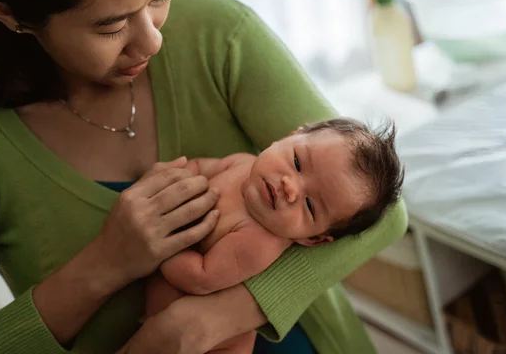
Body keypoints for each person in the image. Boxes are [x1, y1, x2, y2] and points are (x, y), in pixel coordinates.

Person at [0, 0, 408, 353]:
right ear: (7, 13)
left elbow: (379, 211)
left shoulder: (216, 35)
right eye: (111, 26)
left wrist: (217, 318)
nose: (154, 41)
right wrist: (106, 264)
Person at [143, 117, 404, 353]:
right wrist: (173, 177)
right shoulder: (242, 163)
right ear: (290, 136)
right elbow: (200, 167)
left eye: (310, 206)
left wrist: (163, 243)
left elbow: (200, 277)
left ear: (312, 239)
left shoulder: (258, 242)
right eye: (298, 163)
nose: (290, 187)